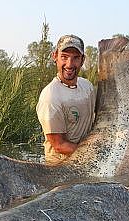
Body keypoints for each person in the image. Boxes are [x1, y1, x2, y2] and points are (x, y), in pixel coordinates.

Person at [36, 34, 96, 164]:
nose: (69, 64)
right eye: (64, 57)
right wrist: (95, 153)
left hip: (85, 164)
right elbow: (59, 145)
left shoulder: (88, 87)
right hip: (60, 169)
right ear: (55, 57)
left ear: (82, 60)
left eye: (75, 58)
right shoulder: (51, 96)